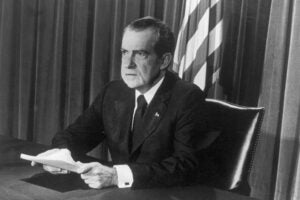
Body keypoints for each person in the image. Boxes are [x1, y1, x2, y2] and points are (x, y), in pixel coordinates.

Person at [33, 16, 215, 189]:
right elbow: (76, 135)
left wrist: (117, 175)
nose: (128, 64)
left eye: (140, 54)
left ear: (164, 60)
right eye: (124, 52)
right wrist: (61, 154)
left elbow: (186, 165)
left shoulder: (187, 97)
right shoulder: (114, 92)